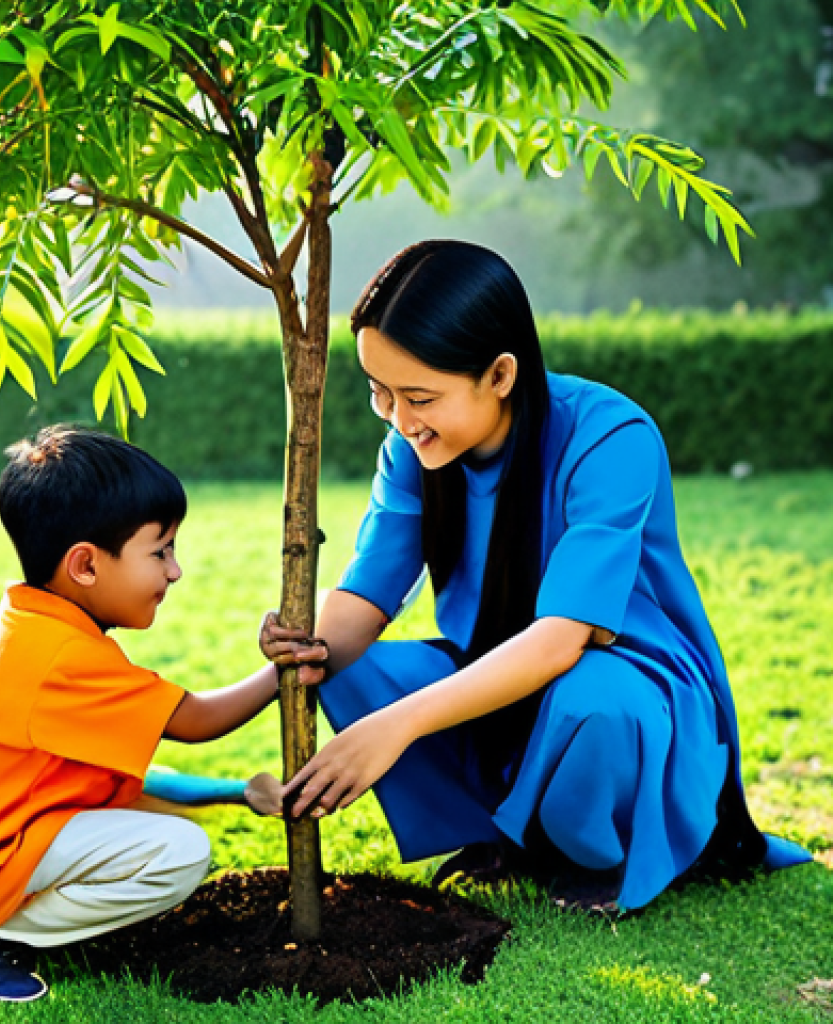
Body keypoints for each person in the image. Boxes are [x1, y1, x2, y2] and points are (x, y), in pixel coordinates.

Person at [261, 240, 811, 912]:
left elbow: (559, 642)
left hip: (623, 687)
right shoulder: (415, 447)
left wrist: (394, 727)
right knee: (348, 666)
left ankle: (595, 855)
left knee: (590, 699)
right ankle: (498, 833)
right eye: (381, 394)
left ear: (499, 374)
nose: (402, 421)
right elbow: (364, 599)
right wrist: (293, 655)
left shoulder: (610, 438)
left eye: (420, 397)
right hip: (489, 671)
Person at [0, 425, 283, 1003]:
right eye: (160, 551)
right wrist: (280, 674)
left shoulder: (38, 627)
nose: (175, 571)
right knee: (182, 852)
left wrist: (238, 791)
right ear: (84, 565)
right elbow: (195, 721)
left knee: (168, 831)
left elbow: (117, 780)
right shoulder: (64, 657)